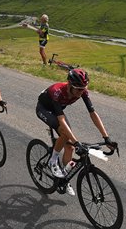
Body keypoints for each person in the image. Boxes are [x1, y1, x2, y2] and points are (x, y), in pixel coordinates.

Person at [35, 68, 115, 196]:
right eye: (78, 89)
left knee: (70, 148)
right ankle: (52, 160)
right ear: (69, 85)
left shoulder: (82, 91)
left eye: (83, 88)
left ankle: (64, 179)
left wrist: (106, 137)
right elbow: (61, 119)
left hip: (57, 111)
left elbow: (93, 114)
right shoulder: (58, 92)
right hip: (44, 109)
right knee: (66, 134)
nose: (80, 92)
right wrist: (77, 142)